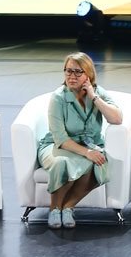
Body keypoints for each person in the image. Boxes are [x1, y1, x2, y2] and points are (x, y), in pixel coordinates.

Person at [37, 52, 123, 229]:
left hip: (89, 145)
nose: (72, 76)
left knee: (97, 163)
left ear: (88, 74)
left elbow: (116, 118)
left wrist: (93, 97)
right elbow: (60, 138)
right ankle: (54, 209)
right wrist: (87, 153)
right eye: (68, 71)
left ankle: (68, 207)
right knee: (61, 163)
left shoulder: (97, 92)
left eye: (77, 72)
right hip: (58, 145)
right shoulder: (58, 97)